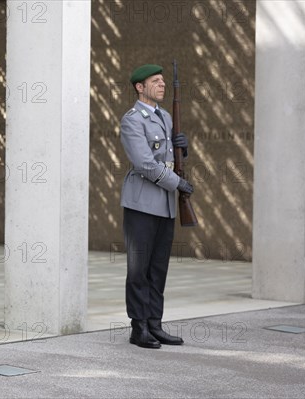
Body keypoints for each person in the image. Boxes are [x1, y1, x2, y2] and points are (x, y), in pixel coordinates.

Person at [119, 64, 193, 349]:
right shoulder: (133, 119)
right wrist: (178, 185)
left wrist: (184, 148)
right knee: (139, 269)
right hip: (141, 203)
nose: (162, 85)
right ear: (140, 87)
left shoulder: (164, 116)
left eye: (163, 81)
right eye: (156, 81)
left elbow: (169, 156)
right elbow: (145, 164)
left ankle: (155, 325)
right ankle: (139, 329)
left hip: (165, 205)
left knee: (158, 268)